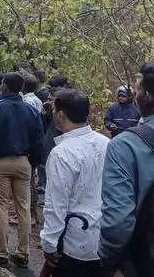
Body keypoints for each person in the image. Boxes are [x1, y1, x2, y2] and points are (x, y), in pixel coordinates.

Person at [40, 89, 108, 277]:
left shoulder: (62, 153)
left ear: (61, 115)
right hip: (104, 238)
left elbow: (56, 204)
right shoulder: (106, 143)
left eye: (54, 110)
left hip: (75, 241)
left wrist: (49, 243)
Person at [0, 72, 44, 268]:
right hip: (24, 162)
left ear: (5, 86)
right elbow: (38, 141)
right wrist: (32, 163)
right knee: (23, 208)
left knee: (0, 208)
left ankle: (0, 252)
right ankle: (23, 253)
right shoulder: (32, 111)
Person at [100, 63, 154, 276]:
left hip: (142, 259)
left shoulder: (125, 145)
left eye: (138, 90)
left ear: (148, 96)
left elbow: (118, 221)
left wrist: (109, 258)